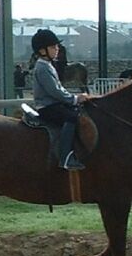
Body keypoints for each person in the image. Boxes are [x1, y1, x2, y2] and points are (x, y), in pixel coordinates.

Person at [30, 29, 90, 171]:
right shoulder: (42, 67)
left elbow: (59, 89)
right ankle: (65, 157)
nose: (57, 49)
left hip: (54, 104)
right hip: (47, 107)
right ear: (42, 50)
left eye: (56, 46)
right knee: (72, 117)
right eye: (53, 47)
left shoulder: (48, 65)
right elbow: (55, 91)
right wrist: (75, 99)